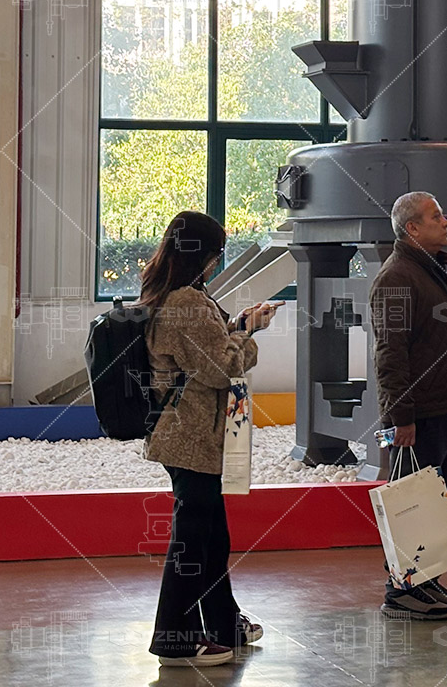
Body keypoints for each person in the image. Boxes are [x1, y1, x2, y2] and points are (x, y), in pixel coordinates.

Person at [141, 211, 282, 668]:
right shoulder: (187, 302)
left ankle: (222, 622)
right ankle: (175, 638)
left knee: (210, 535)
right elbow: (221, 367)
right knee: (193, 538)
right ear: (200, 255)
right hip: (191, 435)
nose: (217, 262)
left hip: (190, 434)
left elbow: (209, 349)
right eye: (216, 253)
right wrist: (251, 336)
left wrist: (238, 325)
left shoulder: (177, 296)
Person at [370, 191, 447, 621]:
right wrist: (401, 416)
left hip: (441, 407)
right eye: (436, 216)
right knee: (413, 502)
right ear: (412, 228)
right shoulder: (396, 278)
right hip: (417, 415)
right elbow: (391, 354)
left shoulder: (429, 272)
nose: (446, 222)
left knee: (437, 499)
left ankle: (426, 584)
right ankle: (401, 591)